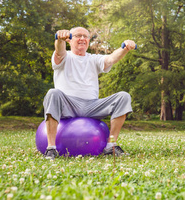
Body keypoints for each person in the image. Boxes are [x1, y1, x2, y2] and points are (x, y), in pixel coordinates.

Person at [42, 27, 136, 159]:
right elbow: (59, 51)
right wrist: (59, 38)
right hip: (67, 105)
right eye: (78, 35)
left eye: (85, 36)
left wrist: (124, 48)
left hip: (92, 106)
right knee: (53, 93)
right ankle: (51, 148)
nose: (82, 38)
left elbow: (110, 59)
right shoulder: (64, 56)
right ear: (69, 39)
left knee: (123, 97)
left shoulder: (93, 58)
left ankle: (111, 145)